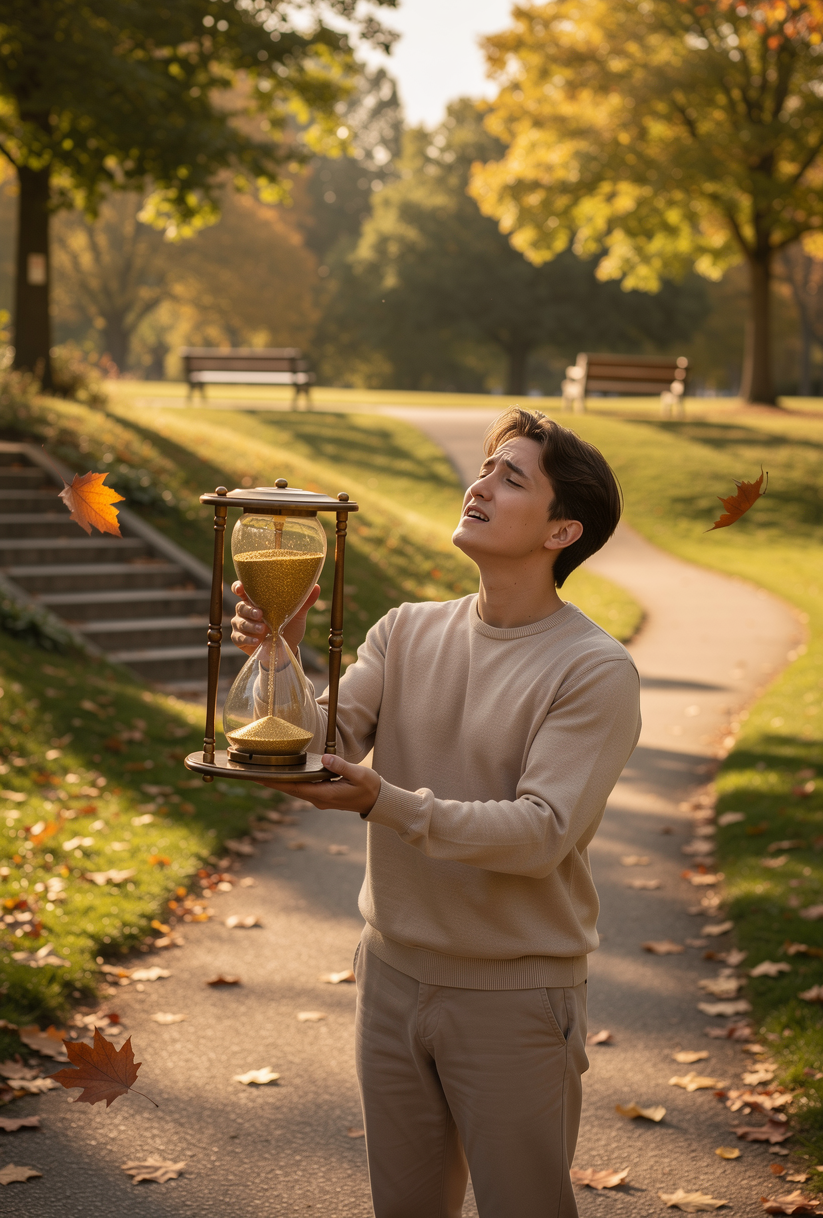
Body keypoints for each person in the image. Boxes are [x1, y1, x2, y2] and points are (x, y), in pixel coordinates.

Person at [231, 407, 641, 1218]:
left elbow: (541, 834)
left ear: (563, 531)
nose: (479, 485)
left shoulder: (594, 669)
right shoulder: (406, 631)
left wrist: (387, 802)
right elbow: (314, 748)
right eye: (486, 469)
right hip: (387, 974)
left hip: (514, 999)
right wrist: (279, 645)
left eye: (510, 478)